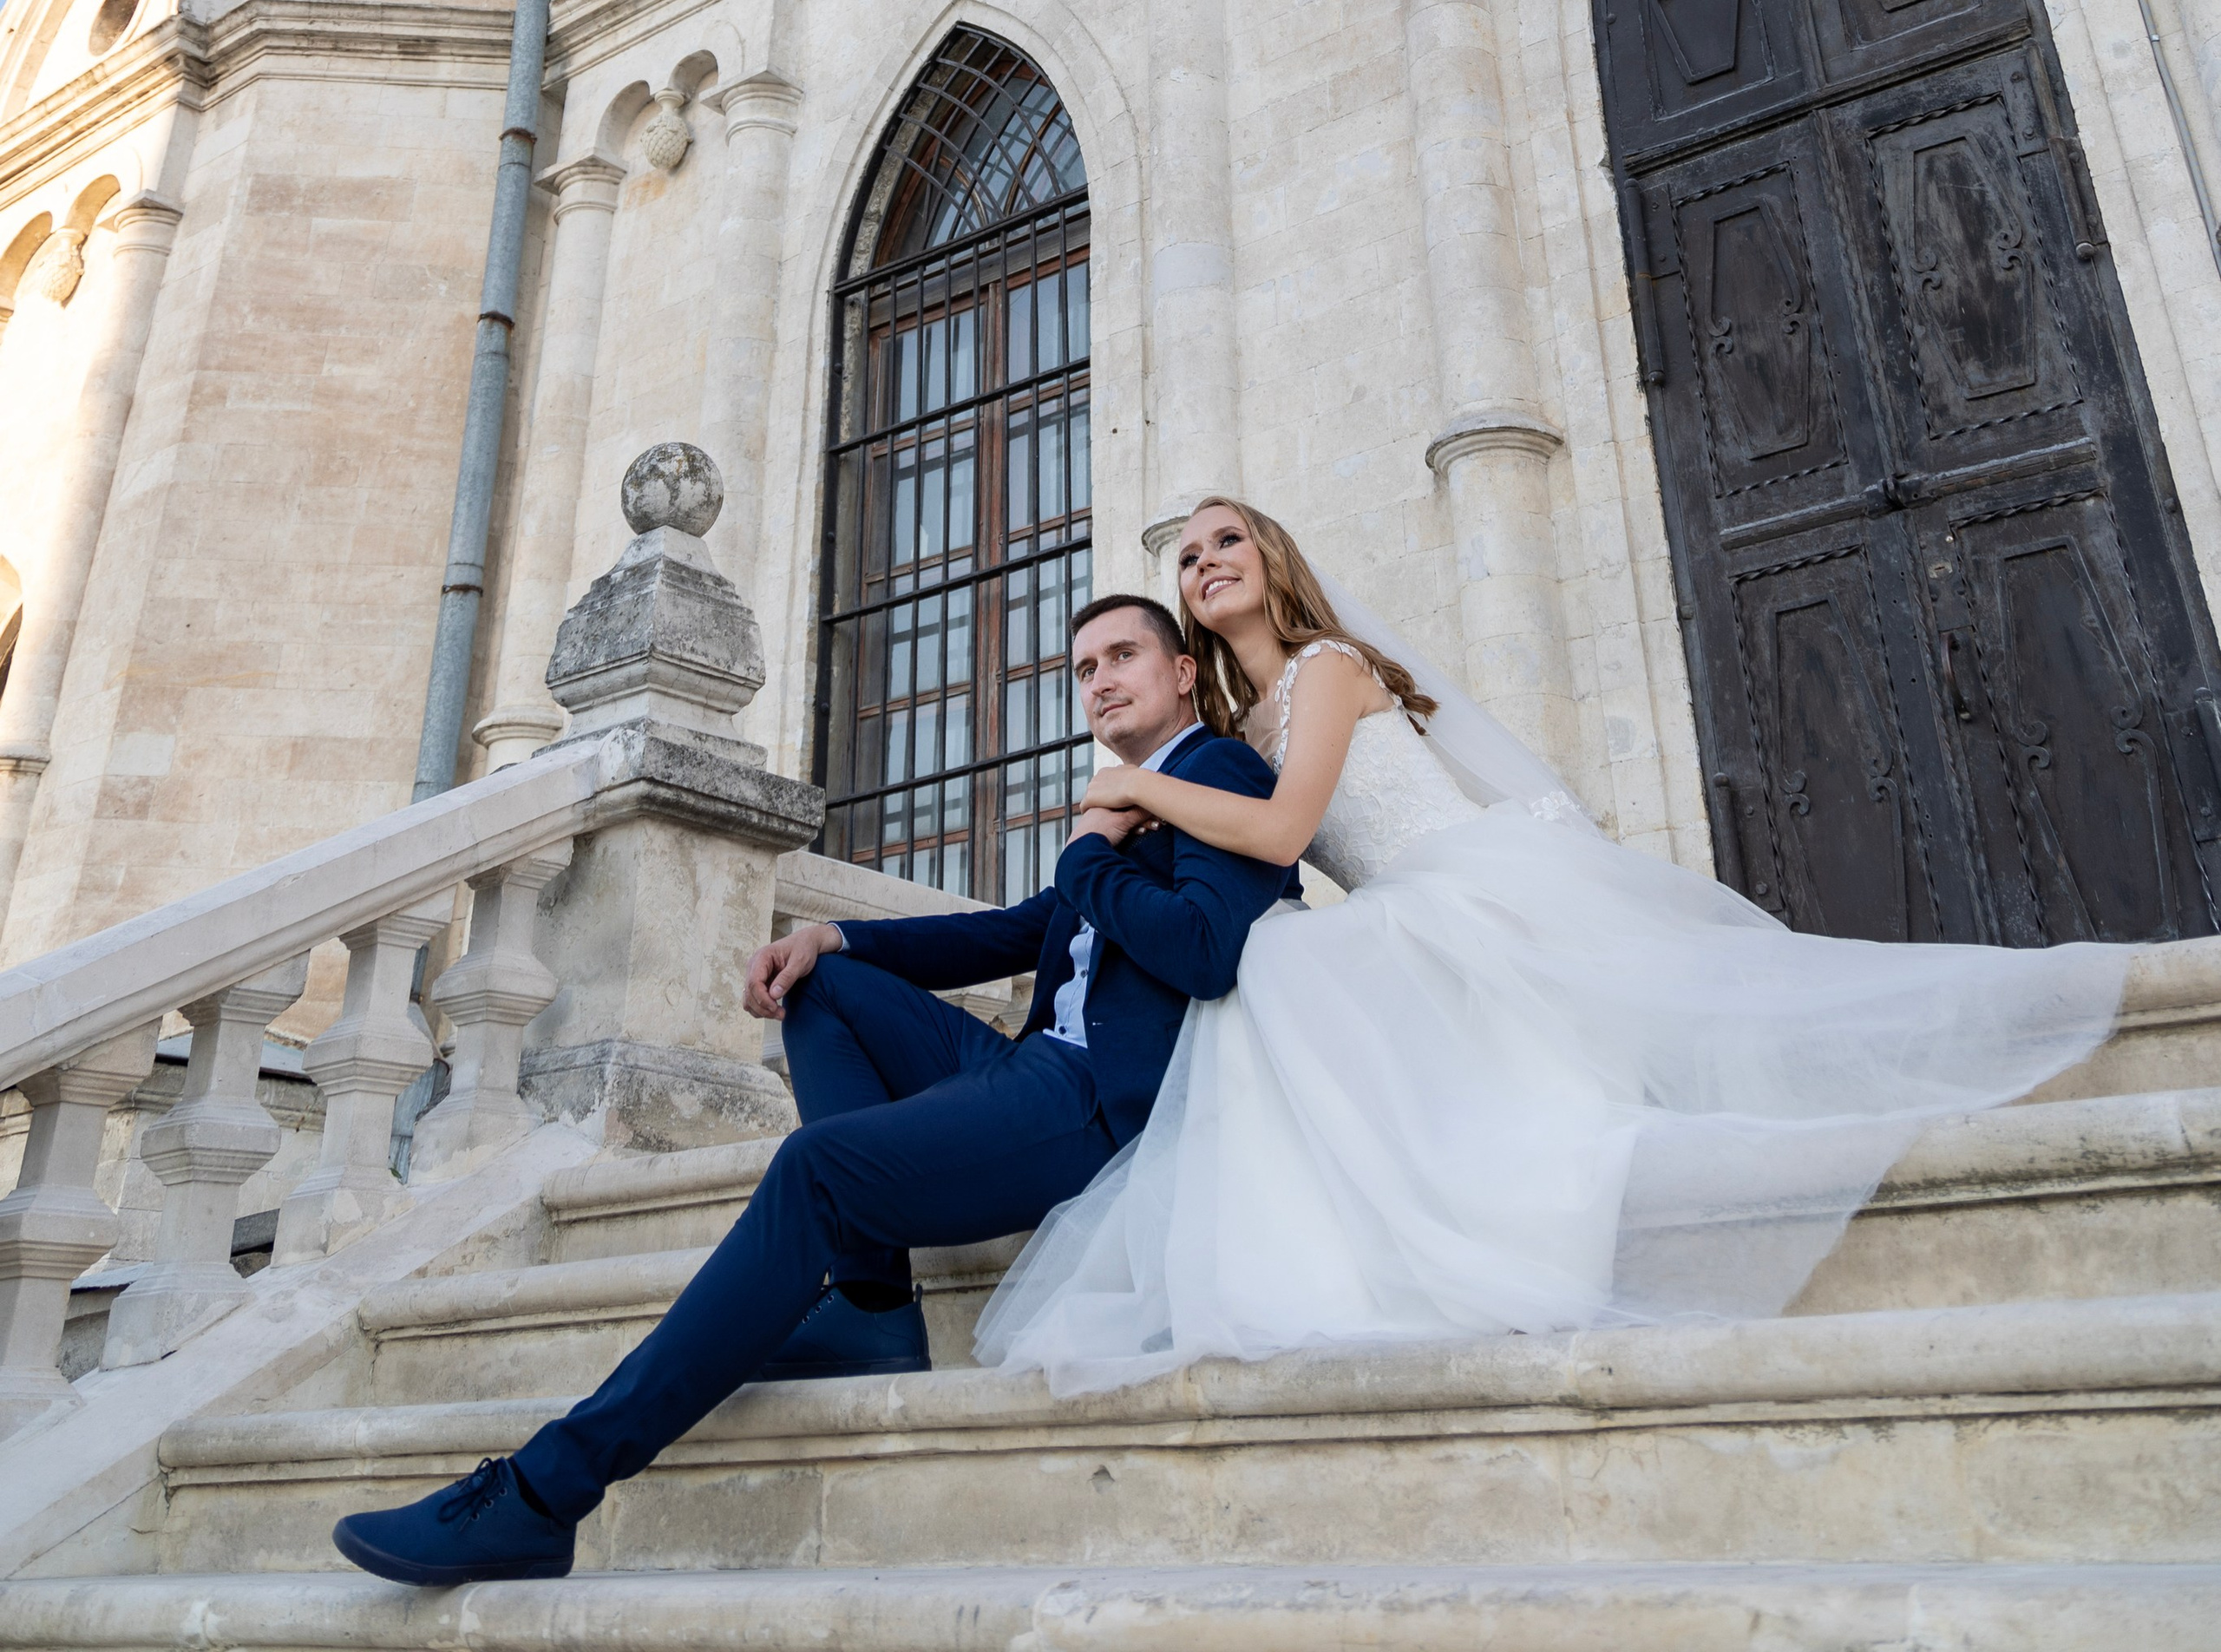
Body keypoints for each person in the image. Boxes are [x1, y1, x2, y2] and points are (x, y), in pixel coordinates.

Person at [973, 495, 2133, 1393]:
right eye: (1183, 556)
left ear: (1274, 560)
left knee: (1290, 975)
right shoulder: (1233, 728)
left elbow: (1278, 827)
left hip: (1460, 889)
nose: (1203, 560)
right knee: (1281, 982)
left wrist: (1126, 796)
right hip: (1398, 918)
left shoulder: (1327, 672)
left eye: (1226, 539)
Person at [332, 589, 1295, 1585]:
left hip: (1093, 1100)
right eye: (1084, 668)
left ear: (1182, 672)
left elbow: (1203, 950)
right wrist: (834, 933)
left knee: (817, 1168)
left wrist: (1091, 850)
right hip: (1029, 1061)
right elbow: (1009, 933)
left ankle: (543, 1493)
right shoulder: (1128, 801)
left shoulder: (1213, 774)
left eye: (1123, 656)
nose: (1099, 680)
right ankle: (875, 1306)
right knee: (820, 983)